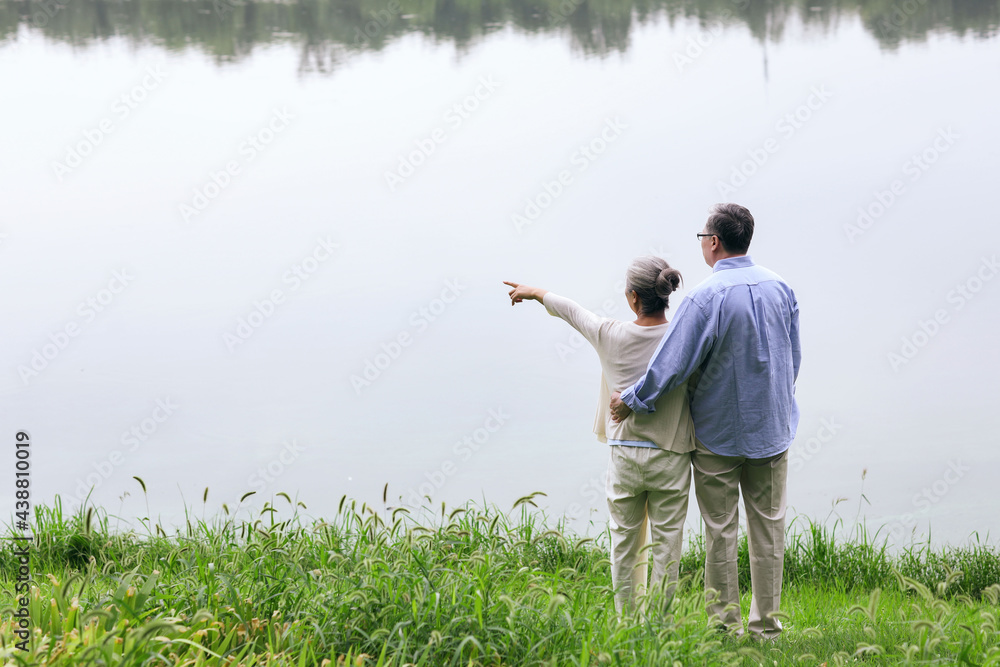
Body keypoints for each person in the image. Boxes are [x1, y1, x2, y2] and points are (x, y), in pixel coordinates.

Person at [610, 203, 801, 640]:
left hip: (717, 437)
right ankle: (767, 629)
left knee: (720, 532)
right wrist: (777, 403)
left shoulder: (705, 297)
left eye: (702, 237)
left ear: (713, 242)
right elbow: (794, 359)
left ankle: (725, 626)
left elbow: (671, 365)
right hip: (772, 431)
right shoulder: (781, 288)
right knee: (769, 531)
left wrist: (633, 401)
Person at [504, 255, 695, 616]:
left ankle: (627, 621)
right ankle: (661, 626)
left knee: (624, 543)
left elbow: (573, 312)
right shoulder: (682, 340)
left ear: (634, 298)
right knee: (667, 546)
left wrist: (535, 293)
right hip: (670, 455)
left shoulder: (610, 334)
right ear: (665, 294)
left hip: (624, 454)